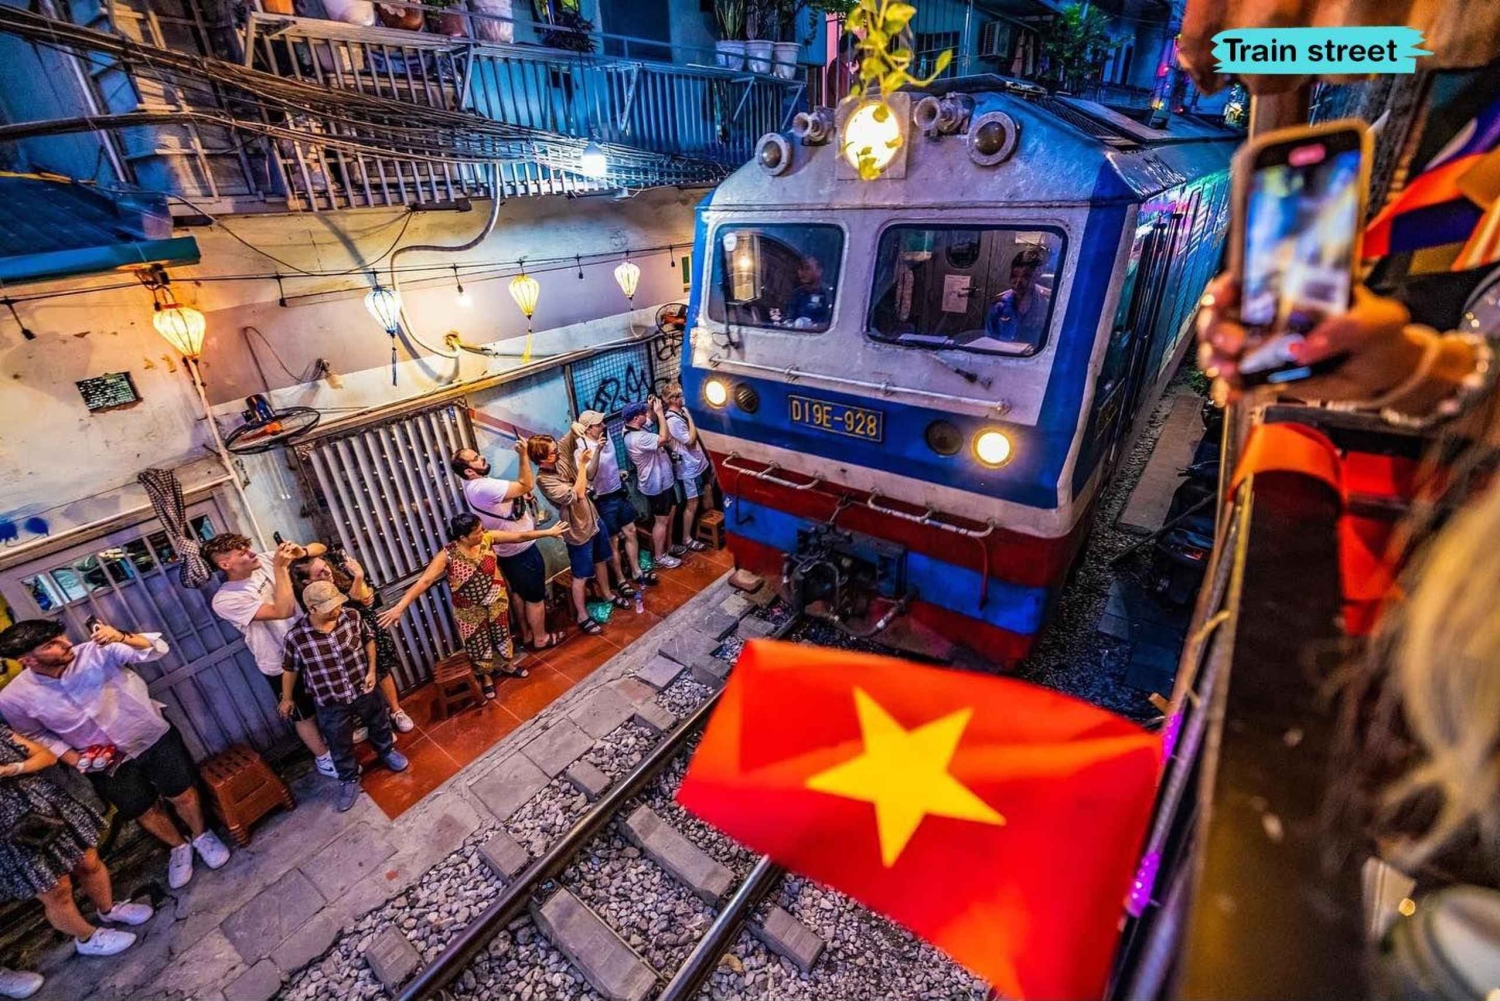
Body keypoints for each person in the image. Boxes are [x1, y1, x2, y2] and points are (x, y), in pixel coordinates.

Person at [0, 621, 231, 891]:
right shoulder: (13, 698)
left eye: (61, 636)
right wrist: (73, 758)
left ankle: (201, 835)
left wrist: (121, 636)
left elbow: (155, 649)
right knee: (141, 808)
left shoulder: (97, 651)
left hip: (148, 734)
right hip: (101, 762)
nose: (66, 643)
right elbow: (36, 734)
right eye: (51, 644)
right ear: (27, 660)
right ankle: (179, 846)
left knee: (182, 792)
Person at [0, 722, 154, 961]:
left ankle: (108, 909)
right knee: (56, 890)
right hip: (9, 836)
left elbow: (46, 757)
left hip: (46, 808)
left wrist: (13, 769)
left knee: (88, 862)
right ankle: (87, 938)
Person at [380, 514, 566, 697]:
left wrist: (548, 532)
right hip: (469, 610)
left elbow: (519, 536)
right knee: (478, 643)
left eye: (481, 529)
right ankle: (486, 677)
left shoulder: (487, 538)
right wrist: (400, 607)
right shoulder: (448, 555)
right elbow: (425, 581)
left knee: (502, 634)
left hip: (496, 600)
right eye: (477, 532)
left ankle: (507, 665)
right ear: (463, 537)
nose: (482, 533)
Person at [201, 535, 335, 779]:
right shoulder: (225, 599)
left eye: (248, 547)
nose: (251, 553)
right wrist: (280, 568)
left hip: (310, 647)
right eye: (241, 552)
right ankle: (324, 758)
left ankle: (337, 740)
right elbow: (284, 610)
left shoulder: (264, 559)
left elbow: (320, 546)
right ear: (225, 564)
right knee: (302, 713)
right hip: (279, 661)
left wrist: (302, 550)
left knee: (329, 698)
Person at [282, 582, 409, 813]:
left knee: (378, 722)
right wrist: (287, 698)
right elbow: (290, 669)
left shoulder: (351, 616)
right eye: (329, 607)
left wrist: (371, 671)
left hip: (362, 687)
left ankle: (387, 752)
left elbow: (368, 640)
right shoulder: (296, 637)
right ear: (311, 608)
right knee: (338, 741)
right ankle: (349, 778)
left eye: (337, 604)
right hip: (330, 698)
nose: (336, 610)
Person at [451, 443, 564, 653]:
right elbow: (526, 484)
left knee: (519, 592)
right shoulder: (482, 487)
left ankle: (526, 633)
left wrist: (516, 497)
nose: (482, 458)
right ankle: (541, 638)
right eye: (476, 458)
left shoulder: (472, 486)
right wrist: (523, 455)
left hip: (508, 552)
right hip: (521, 551)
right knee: (535, 597)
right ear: (468, 471)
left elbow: (504, 498)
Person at [290, 552, 415, 733]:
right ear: (307, 581)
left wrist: (365, 590)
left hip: (364, 626)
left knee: (382, 669)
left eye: (325, 567)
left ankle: (396, 711)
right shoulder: (312, 596)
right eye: (320, 573)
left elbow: (365, 593)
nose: (327, 572)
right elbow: (349, 602)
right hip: (341, 638)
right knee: (355, 682)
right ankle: (373, 725)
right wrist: (358, 578)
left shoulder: (338, 574)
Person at [530, 433, 636, 636]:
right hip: (577, 531)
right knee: (581, 575)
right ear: (542, 459)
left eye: (556, 448)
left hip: (593, 520)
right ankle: (582, 615)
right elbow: (577, 494)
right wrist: (581, 465)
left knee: (601, 560)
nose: (558, 453)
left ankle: (607, 594)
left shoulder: (559, 458)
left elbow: (571, 433)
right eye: (553, 452)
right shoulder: (544, 480)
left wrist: (577, 428)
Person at [561, 411, 658, 592]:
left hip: (618, 492)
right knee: (613, 541)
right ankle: (620, 580)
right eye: (599, 424)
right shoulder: (581, 448)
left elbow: (611, 462)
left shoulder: (607, 437)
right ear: (588, 428)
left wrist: (618, 472)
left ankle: (636, 571)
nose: (603, 426)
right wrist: (597, 450)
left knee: (631, 530)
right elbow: (590, 474)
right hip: (602, 499)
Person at [623, 399, 683, 571]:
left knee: (669, 513)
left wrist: (651, 407)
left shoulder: (633, 428)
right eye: (643, 413)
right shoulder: (638, 438)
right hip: (655, 484)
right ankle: (659, 556)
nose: (646, 415)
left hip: (663, 480)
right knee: (661, 520)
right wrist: (660, 413)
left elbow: (650, 419)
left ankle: (668, 546)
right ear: (636, 418)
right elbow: (665, 438)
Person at [661, 383, 714, 554]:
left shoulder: (681, 413)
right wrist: (691, 418)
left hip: (699, 463)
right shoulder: (673, 421)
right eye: (680, 395)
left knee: (706, 494)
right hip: (688, 468)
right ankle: (687, 538)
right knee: (692, 503)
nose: (683, 398)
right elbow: (690, 441)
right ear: (673, 399)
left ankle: (707, 528)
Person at [984, 247, 1052, 348]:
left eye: (1026, 277)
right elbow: (989, 339)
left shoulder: (1048, 304)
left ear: (1037, 276)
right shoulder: (999, 304)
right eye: (1014, 276)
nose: (1017, 283)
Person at [783, 256, 833, 328]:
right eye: (800, 269)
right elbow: (788, 317)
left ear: (819, 271)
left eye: (807, 268)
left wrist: (815, 326)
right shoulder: (796, 294)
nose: (802, 272)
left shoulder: (828, 294)